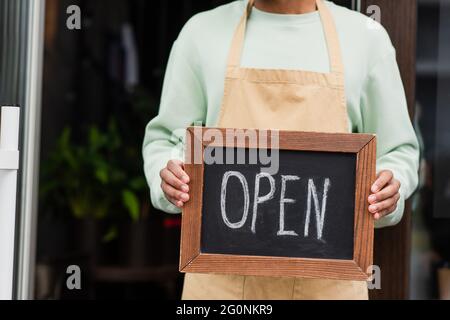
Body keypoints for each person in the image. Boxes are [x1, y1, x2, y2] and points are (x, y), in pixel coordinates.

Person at [142, 0, 419, 300]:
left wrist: (388, 187)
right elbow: (167, 141)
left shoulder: (365, 38)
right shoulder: (200, 33)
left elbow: (397, 150)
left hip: (329, 288)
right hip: (221, 290)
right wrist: (169, 174)